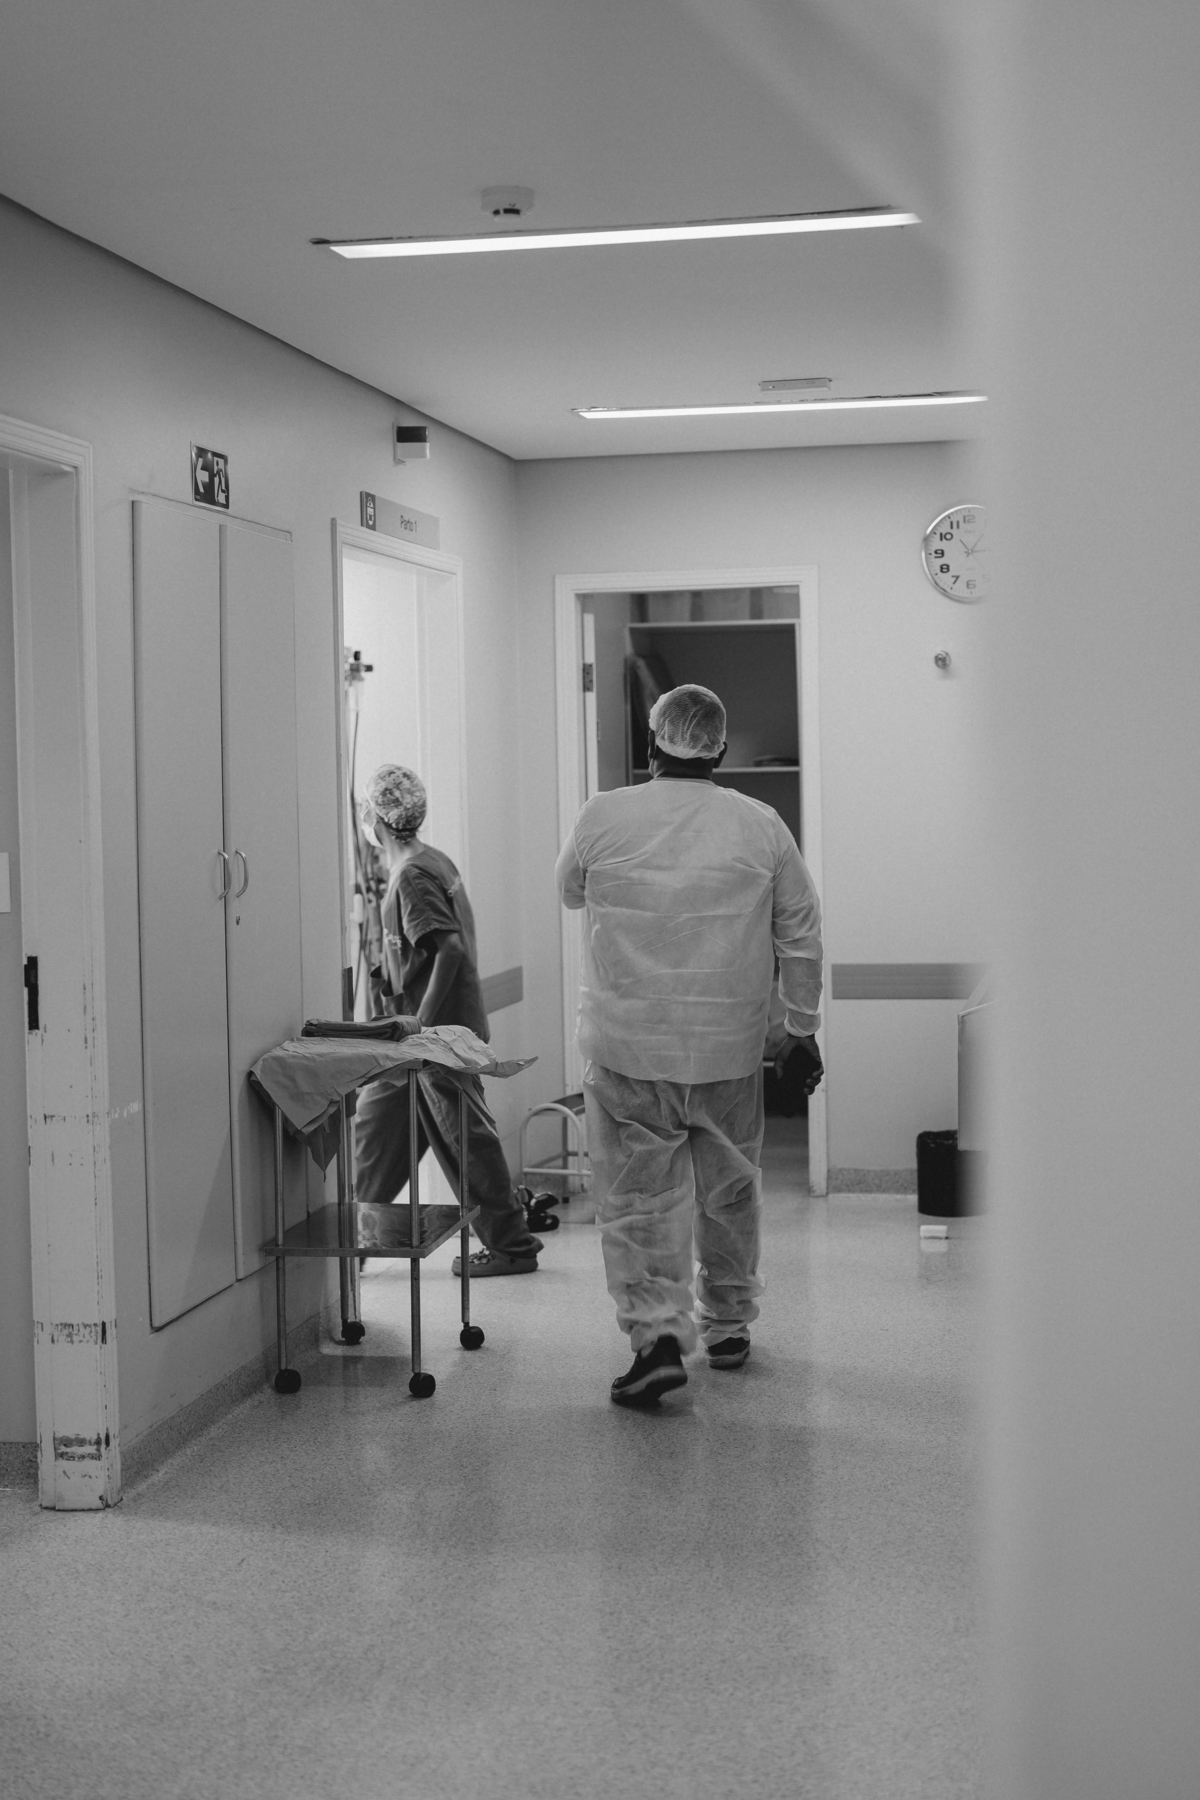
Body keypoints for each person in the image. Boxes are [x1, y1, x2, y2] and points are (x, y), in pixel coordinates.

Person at [555, 683, 823, 1404]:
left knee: (637, 1200)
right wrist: (801, 1030)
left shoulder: (602, 815)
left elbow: (570, 891)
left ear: (651, 742)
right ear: (720, 750)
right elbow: (800, 933)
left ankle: (657, 1340)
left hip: (628, 1048)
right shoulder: (761, 825)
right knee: (730, 1190)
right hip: (726, 1050)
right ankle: (728, 1327)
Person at [355, 764, 542, 1275]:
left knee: (466, 1141)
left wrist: (418, 1027)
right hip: (424, 1032)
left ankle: (512, 1247)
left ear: (377, 816)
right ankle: (357, 1242)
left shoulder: (413, 875)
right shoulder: (430, 860)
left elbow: (450, 949)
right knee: (375, 1130)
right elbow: (416, 949)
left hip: (436, 1034)